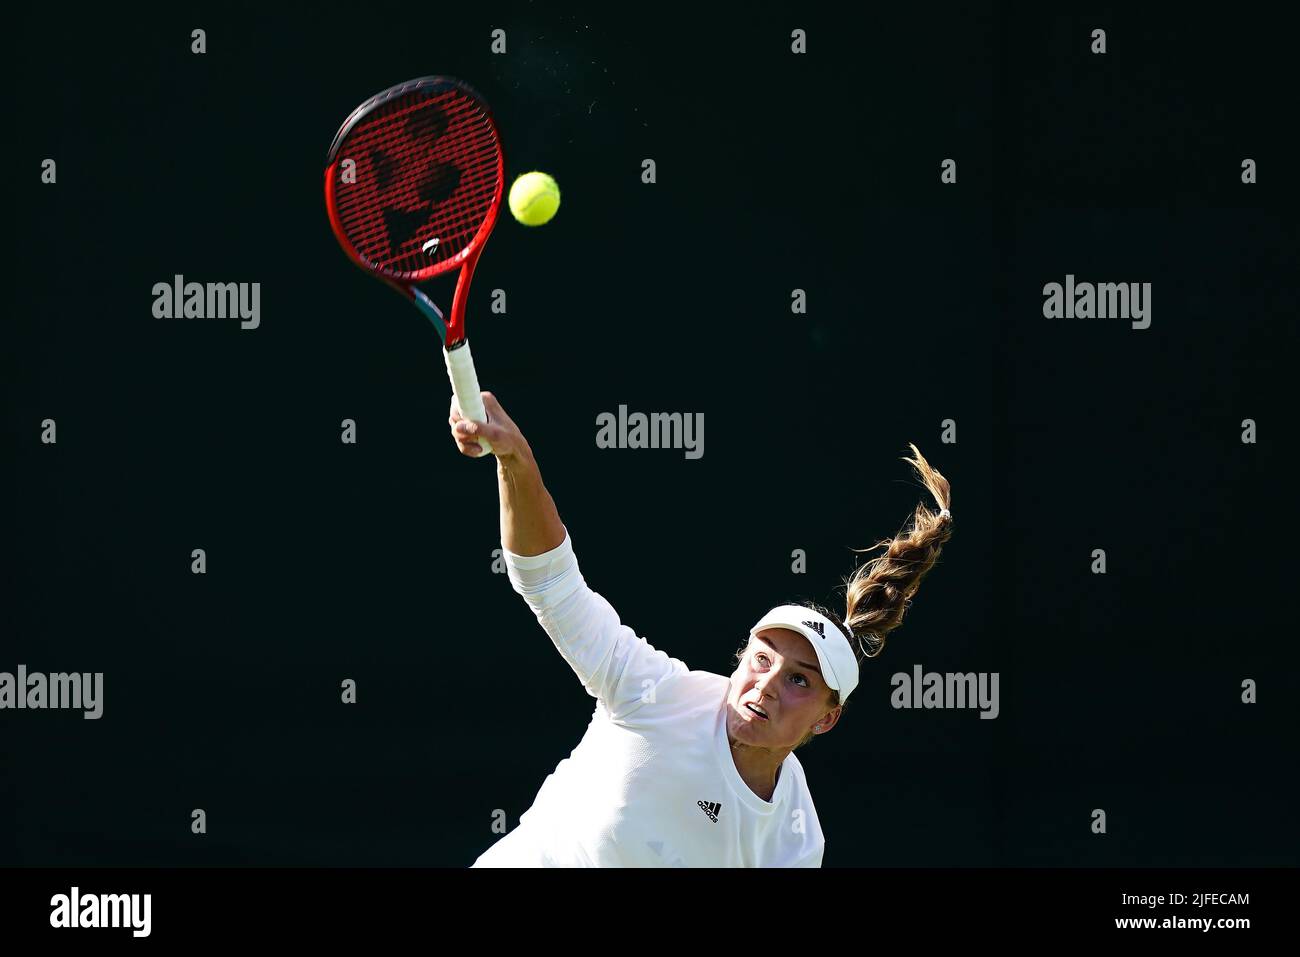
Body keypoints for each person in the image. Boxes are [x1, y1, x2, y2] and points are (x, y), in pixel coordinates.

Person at [450, 391, 954, 867]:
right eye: (762, 658)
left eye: (799, 679)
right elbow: (552, 585)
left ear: (827, 719)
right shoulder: (654, 692)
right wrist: (515, 461)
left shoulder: (794, 840)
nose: (768, 686)